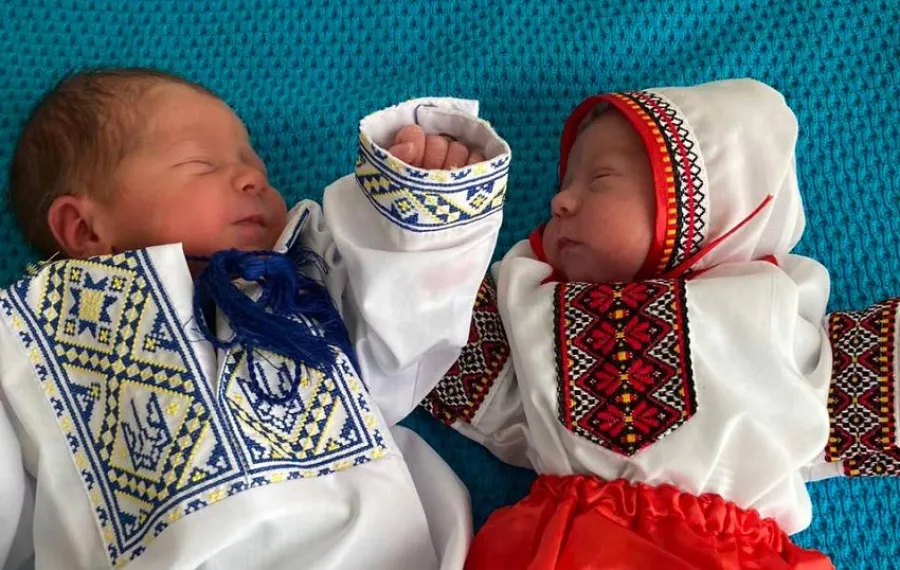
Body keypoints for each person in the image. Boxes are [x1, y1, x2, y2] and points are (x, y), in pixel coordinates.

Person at [0, 68, 510, 570]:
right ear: (84, 229)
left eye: (255, 165)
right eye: (200, 164)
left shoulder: (297, 282)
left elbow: (398, 334)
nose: (254, 179)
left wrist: (421, 200)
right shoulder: (27, 338)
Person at [417, 78, 900, 569]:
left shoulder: (767, 305)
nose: (558, 203)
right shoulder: (542, 307)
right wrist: (432, 218)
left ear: (704, 207)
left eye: (600, 179)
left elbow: (849, 396)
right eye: (563, 186)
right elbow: (446, 348)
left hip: (725, 552)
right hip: (561, 543)